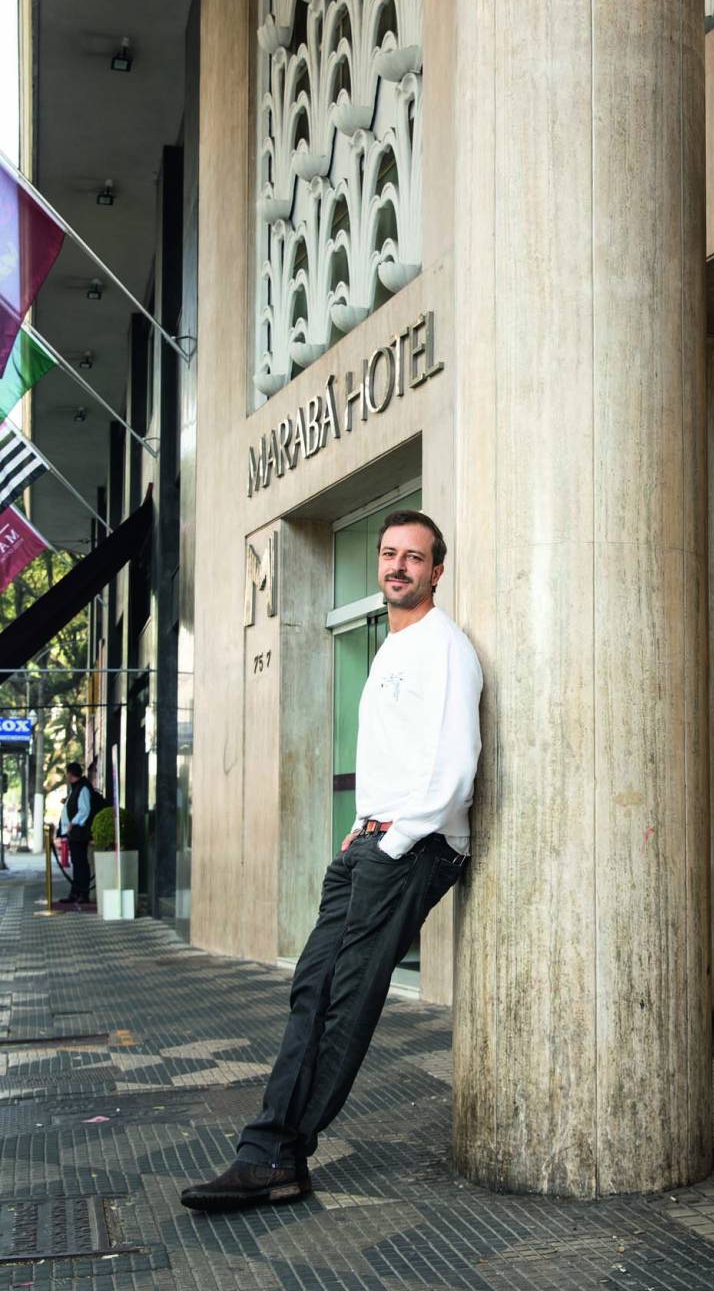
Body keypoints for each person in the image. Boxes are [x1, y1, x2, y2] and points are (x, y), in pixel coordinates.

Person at [181, 509, 483, 1212]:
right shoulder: (387, 649)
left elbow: (455, 765)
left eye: (414, 557)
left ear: (437, 571)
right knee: (311, 991)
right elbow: (388, 756)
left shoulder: (446, 647)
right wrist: (358, 829)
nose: (398, 566)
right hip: (371, 842)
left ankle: (276, 1154)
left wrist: (397, 839)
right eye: (388, 554)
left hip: (415, 847)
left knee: (345, 1003)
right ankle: (272, 1154)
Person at [58, 760, 93, 904]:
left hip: (79, 833)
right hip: (74, 833)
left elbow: (84, 809)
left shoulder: (83, 788)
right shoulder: (76, 788)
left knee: (81, 863)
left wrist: (73, 823)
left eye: (67, 773)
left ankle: (83, 894)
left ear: (71, 774)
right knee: (77, 863)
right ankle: (76, 892)